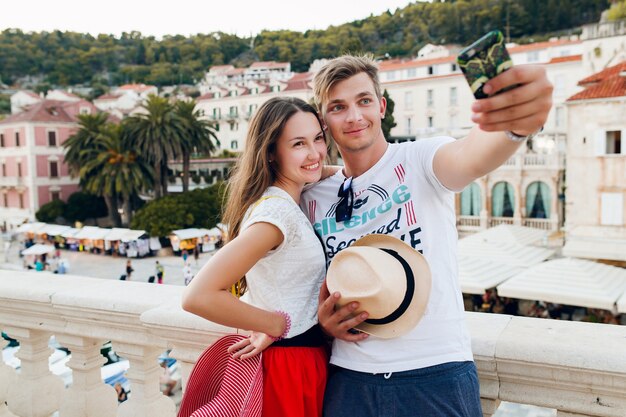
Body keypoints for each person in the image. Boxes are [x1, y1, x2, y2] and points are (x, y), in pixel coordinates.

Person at [300, 54, 552, 416]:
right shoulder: (314, 196)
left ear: (382, 106)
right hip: (349, 379)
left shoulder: (420, 159)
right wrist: (322, 327)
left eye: (364, 101)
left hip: (435, 372)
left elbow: (472, 154)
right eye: (338, 107)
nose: (354, 116)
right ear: (323, 121)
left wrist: (515, 125)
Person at [182, 97, 332, 417]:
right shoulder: (276, 215)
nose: (315, 152)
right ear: (271, 153)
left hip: (300, 359)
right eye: (298, 144)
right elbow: (198, 295)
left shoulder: (285, 200)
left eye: (318, 138)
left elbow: (330, 168)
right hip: (289, 366)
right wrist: (276, 323)